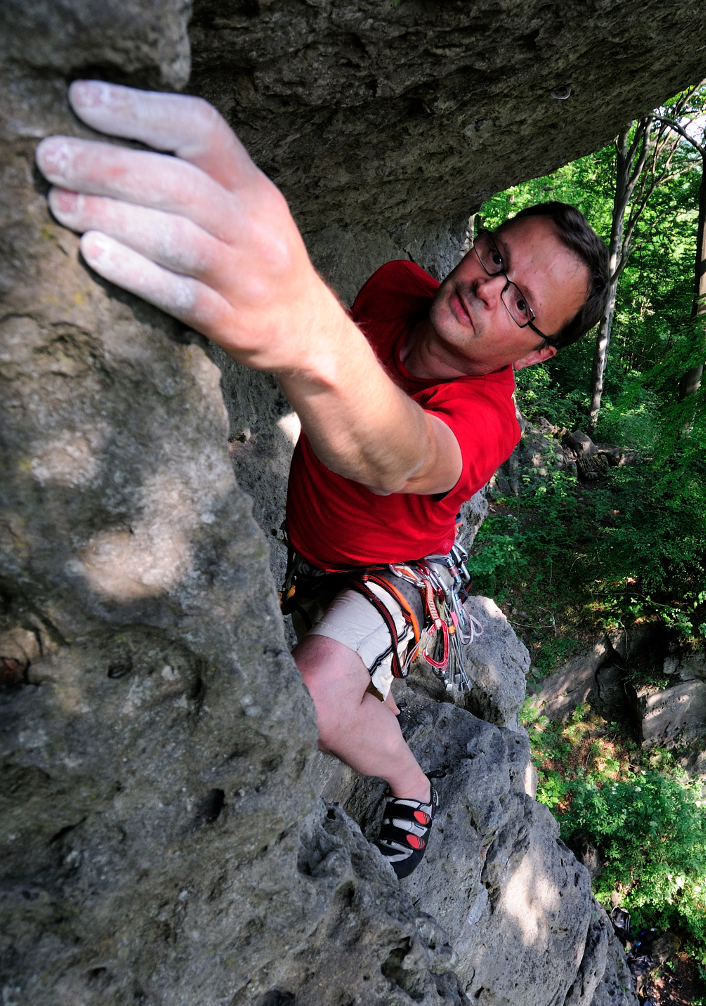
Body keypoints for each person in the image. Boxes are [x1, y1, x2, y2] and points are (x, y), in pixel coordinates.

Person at [36, 82, 610, 878]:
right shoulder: (394, 286)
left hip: (406, 572)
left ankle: (411, 785)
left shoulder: (485, 419)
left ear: (536, 351)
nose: (485, 287)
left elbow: (396, 453)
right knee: (340, 690)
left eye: (520, 302)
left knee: (307, 697)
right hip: (314, 556)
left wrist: (305, 330)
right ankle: (377, 719)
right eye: (495, 257)